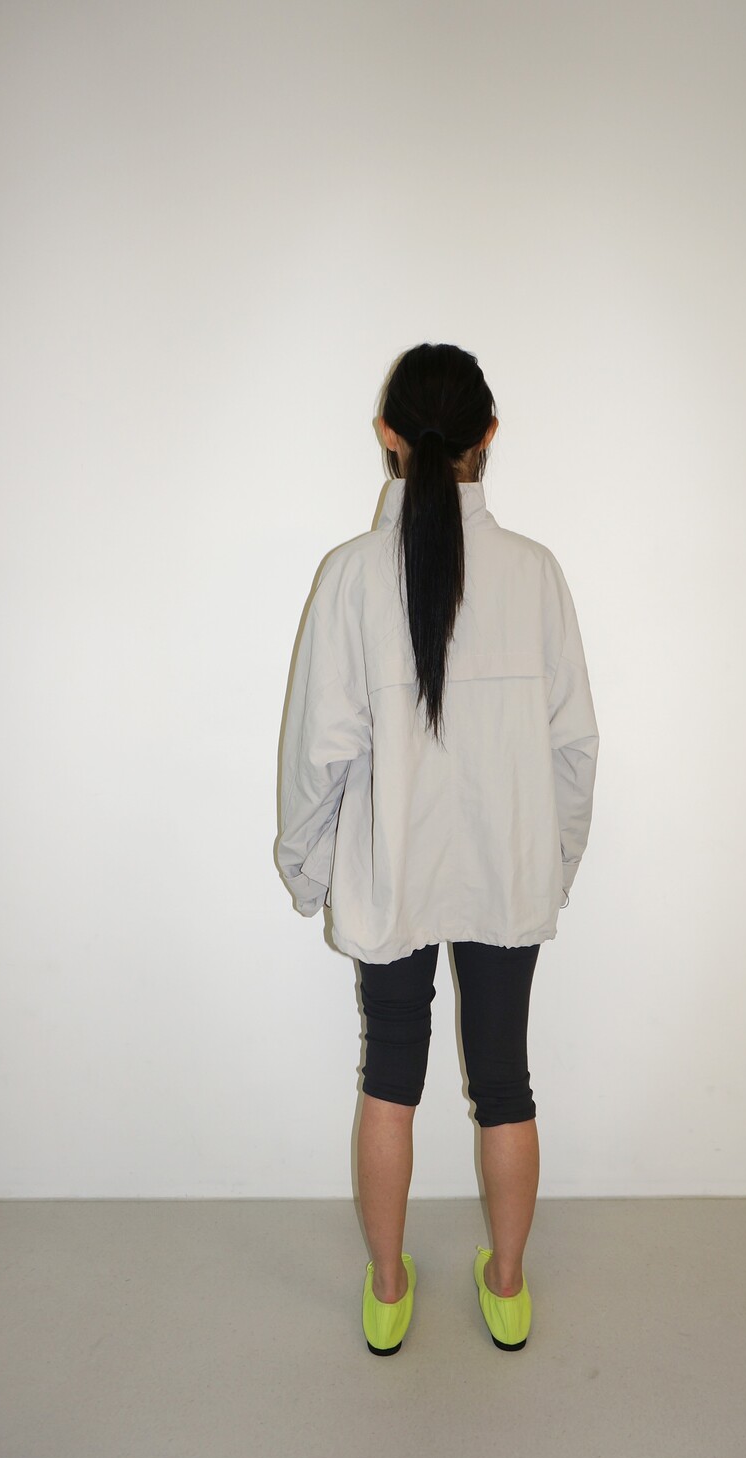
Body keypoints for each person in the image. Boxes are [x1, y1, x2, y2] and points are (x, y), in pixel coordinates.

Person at [275, 343, 598, 1356]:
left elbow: (317, 753)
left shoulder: (350, 576)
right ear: (488, 436)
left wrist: (307, 871)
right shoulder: (535, 574)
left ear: (389, 436)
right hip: (507, 870)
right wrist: (553, 862)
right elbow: (574, 748)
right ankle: (507, 1285)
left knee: (389, 1078)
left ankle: (385, 1290)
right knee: (505, 1081)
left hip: (393, 876)